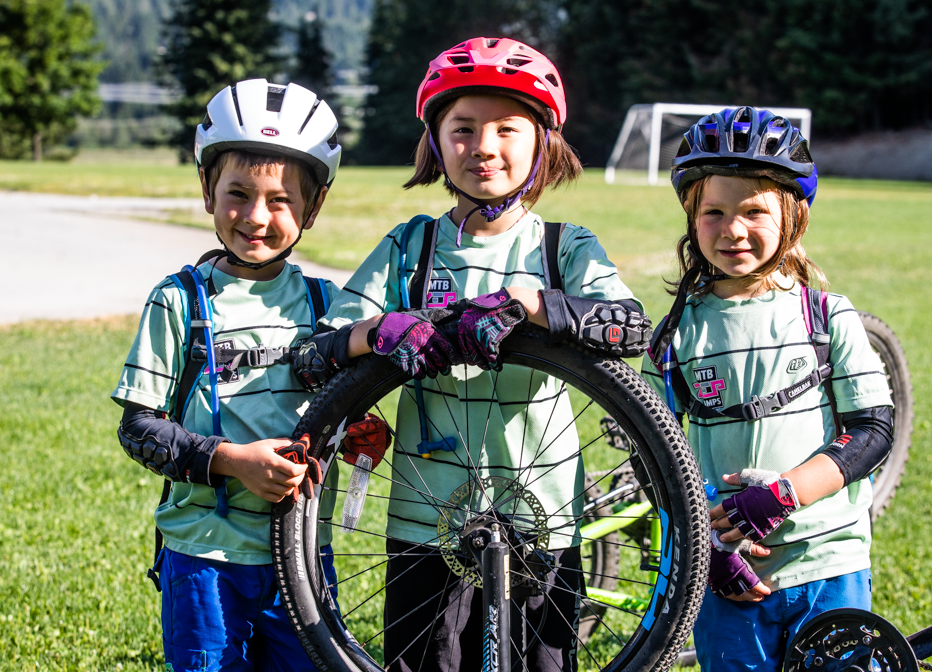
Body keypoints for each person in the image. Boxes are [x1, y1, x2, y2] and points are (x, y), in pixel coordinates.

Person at [297, 37, 651, 672]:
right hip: (423, 518)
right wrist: (376, 333)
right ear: (434, 141)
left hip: (541, 513)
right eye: (462, 129)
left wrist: (536, 306)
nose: (484, 147)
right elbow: (313, 356)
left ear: (544, 141)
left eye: (507, 129)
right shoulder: (412, 247)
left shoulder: (563, 248)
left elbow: (630, 328)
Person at [642, 107, 895, 671]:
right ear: (692, 218)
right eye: (714, 212)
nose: (732, 230)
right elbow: (653, 456)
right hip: (729, 570)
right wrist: (703, 547)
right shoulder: (676, 334)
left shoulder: (827, 317)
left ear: (794, 220)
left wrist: (784, 494)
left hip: (827, 560)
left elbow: (873, 432)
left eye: (754, 211)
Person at [111, 78, 346, 672]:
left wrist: (359, 434)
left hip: (301, 555)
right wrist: (235, 461)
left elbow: (345, 409)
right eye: (237, 193)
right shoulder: (178, 301)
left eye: (281, 200)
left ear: (312, 207)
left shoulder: (329, 304)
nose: (256, 216)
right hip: (204, 560)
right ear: (207, 189)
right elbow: (140, 429)